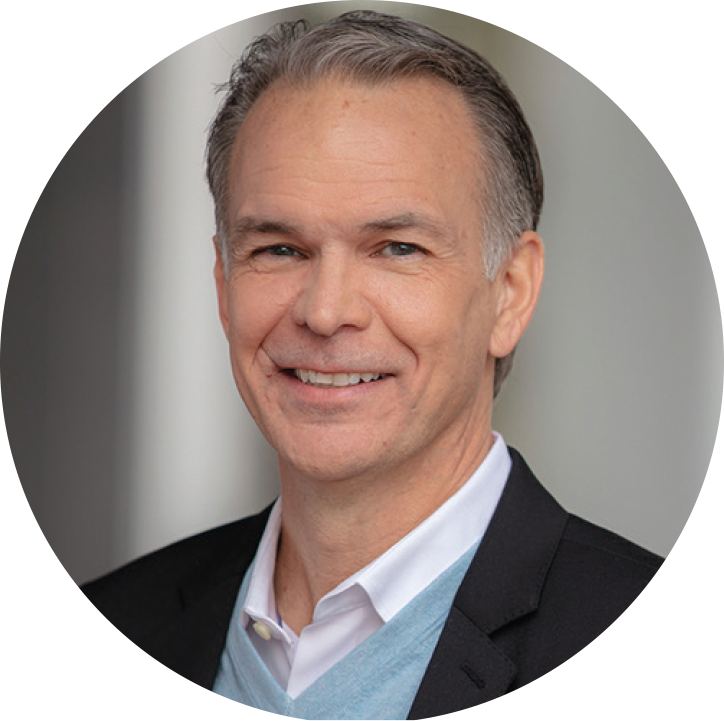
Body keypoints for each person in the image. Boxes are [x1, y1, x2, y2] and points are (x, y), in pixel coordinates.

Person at [82, 11, 663, 717]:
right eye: (279, 249)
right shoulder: (122, 616)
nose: (326, 312)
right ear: (223, 284)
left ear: (510, 293)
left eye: (396, 248)